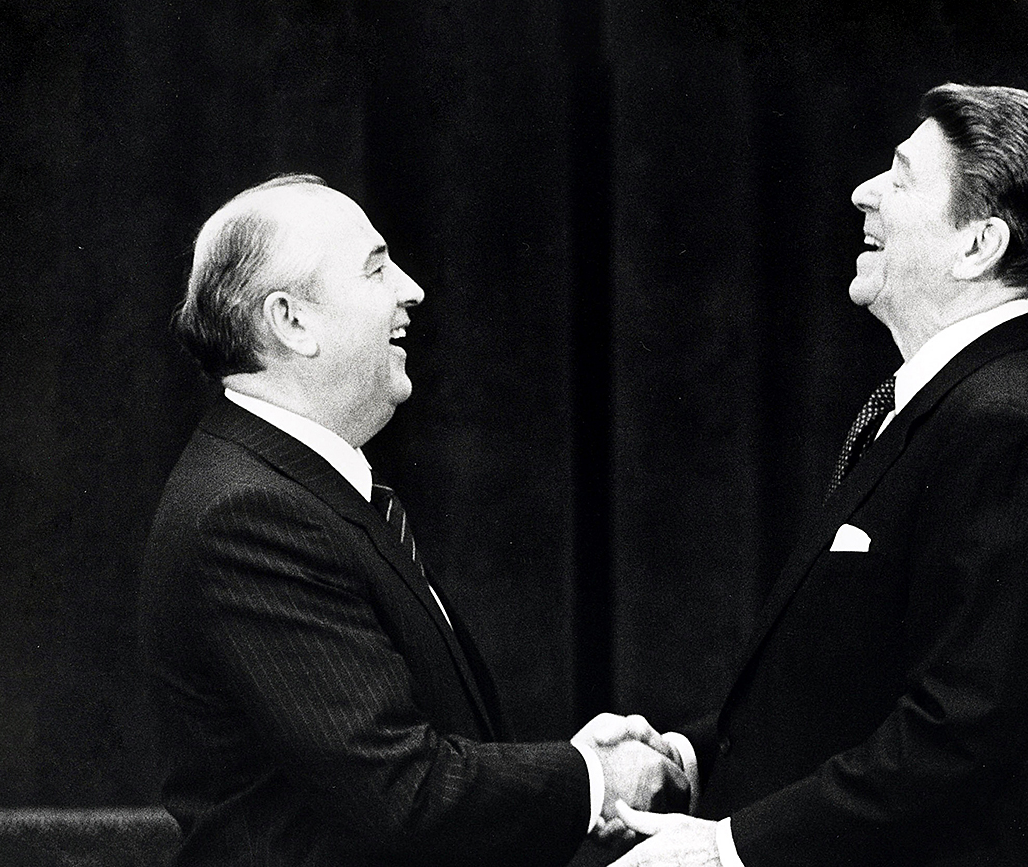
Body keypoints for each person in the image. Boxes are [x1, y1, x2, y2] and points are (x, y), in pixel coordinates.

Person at [609, 84, 1028, 867]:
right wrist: (687, 757)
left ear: (977, 245)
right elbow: (848, 688)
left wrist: (724, 850)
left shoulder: (1010, 427)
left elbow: (957, 735)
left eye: (901, 176)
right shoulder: (947, 406)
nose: (862, 193)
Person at [137, 175, 686, 867]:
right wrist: (595, 777)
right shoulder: (249, 513)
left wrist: (576, 767)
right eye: (376, 267)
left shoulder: (289, 487)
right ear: (291, 322)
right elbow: (401, 792)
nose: (413, 289)